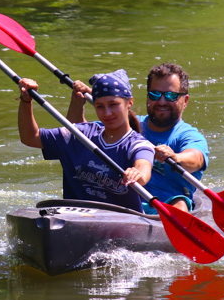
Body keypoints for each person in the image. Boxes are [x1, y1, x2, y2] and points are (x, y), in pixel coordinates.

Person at [67, 63, 209, 213]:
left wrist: (175, 157)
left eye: (170, 96)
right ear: (148, 96)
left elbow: (196, 158)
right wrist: (78, 102)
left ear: (185, 101)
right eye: (155, 94)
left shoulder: (188, 135)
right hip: (119, 202)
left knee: (180, 202)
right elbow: (76, 136)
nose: (161, 102)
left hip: (162, 208)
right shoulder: (126, 125)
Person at [17, 69, 156, 213]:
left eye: (113, 104)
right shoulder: (80, 134)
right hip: (75, 218)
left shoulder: (138, 144)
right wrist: (26, 100)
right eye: (100, 106)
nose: (107, 113)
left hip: (122, 222)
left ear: (129, 103)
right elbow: (30, 137)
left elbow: (143, 167)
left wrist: (137, 174)